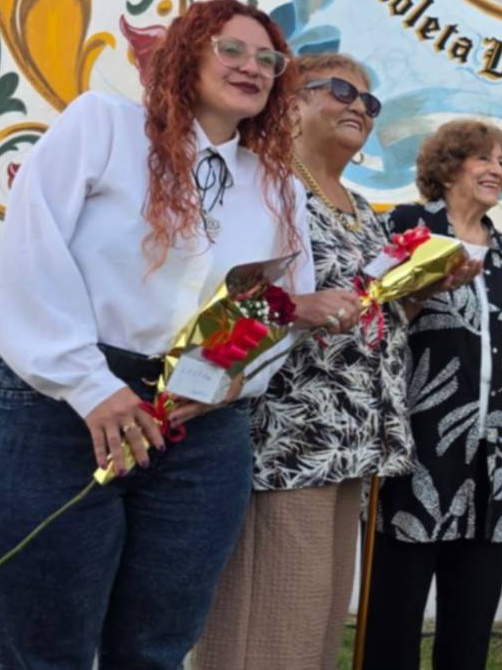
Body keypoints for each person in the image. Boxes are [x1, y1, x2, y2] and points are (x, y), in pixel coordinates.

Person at [0, 0, 362, 669]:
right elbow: (35, 252)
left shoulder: (277, 187)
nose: (252, 66)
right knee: (44, 651)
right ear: (186, 53)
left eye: (268, 59)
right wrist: (90, 384)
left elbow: (273, 304)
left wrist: (229, 379)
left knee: (153, 650)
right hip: (59, 411)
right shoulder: (103, 128)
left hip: (200, 431)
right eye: (231, 49)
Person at [195, 53, 441, 668]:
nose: (360, 105)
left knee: (317, 628)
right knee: (270, 625)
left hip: (352, 444)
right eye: (341, 90)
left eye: (370, 100)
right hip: (286, 444)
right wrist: (295, 306)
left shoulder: (362, 210)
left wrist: (421, 290)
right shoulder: (262, 187)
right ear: (291, 103)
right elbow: (212, 309)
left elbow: (364, 315)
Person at [360, 119, 502, 670]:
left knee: (474, 609)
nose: (496, 170)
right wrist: (426, 287)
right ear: (450, 166)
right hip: (421, 444)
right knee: (398, 604)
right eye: (484, 158)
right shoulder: (410, 226)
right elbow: (373, 315)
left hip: (494, 451)